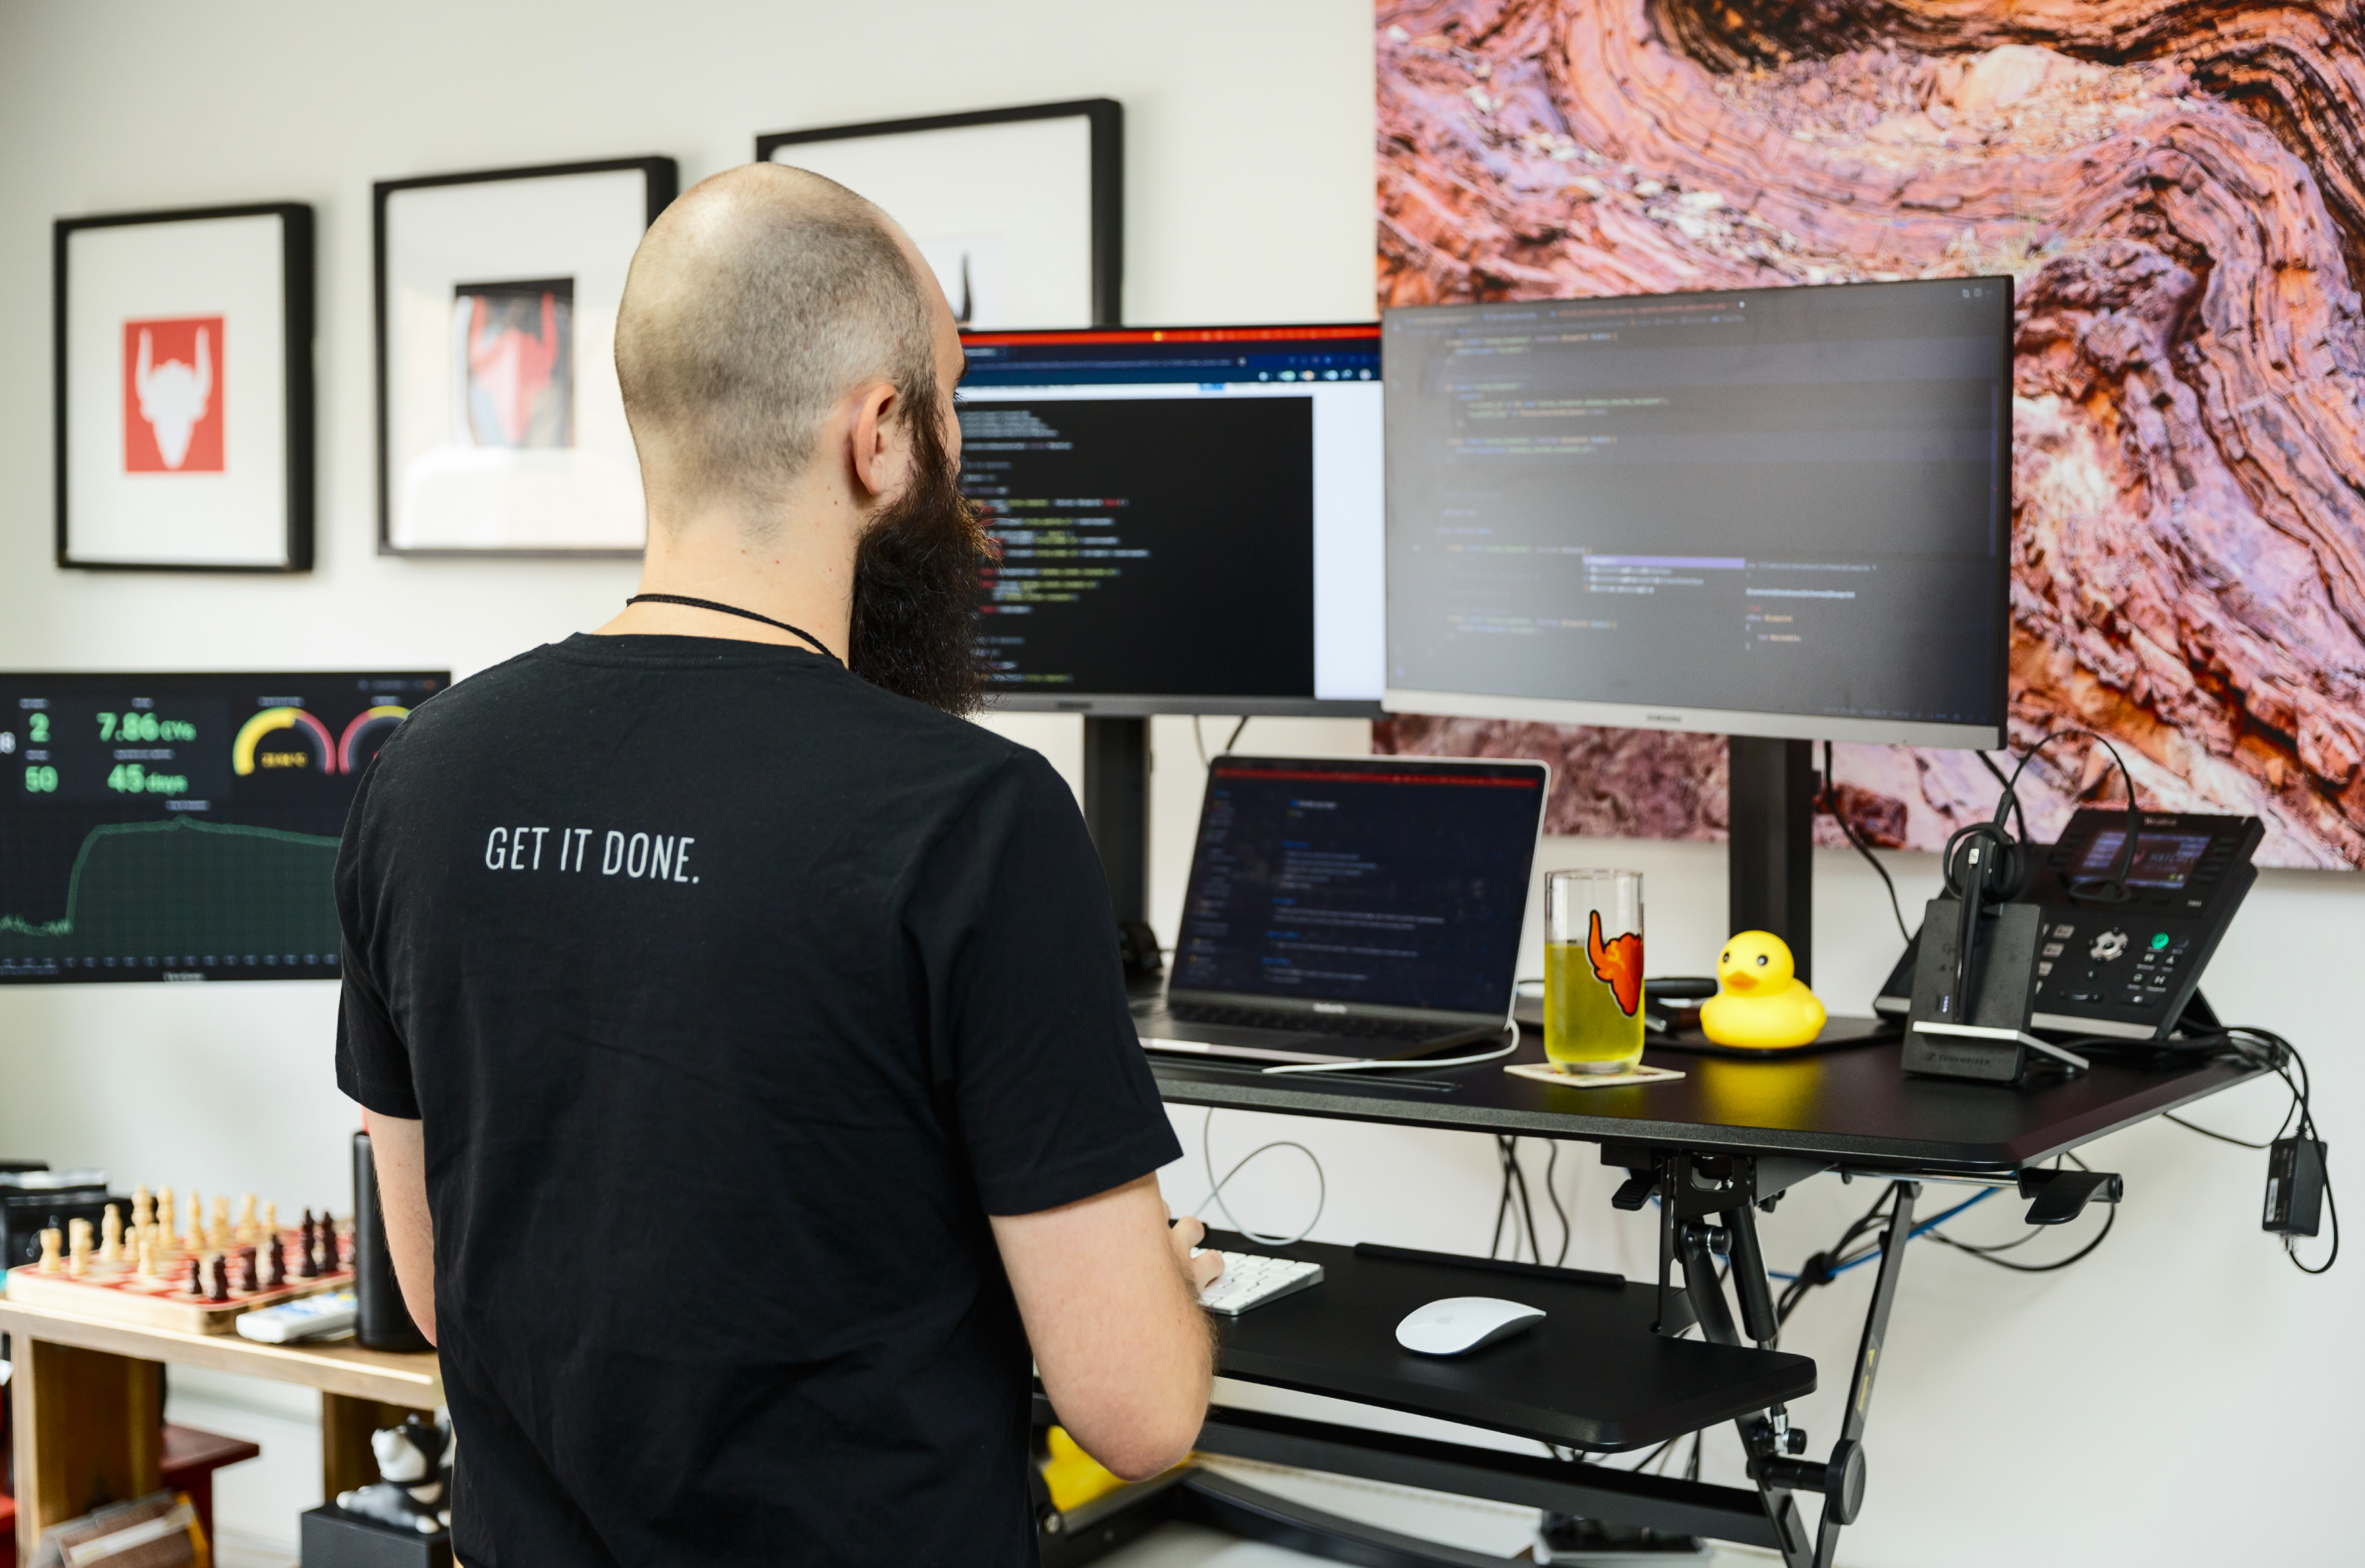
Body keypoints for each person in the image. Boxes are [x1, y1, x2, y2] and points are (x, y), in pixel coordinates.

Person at [335, 163, 1223, 1567]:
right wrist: (1156, 1290)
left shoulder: (421, 775)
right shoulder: (975, 816)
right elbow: (1140, 1410)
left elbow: (440, 1286)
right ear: (878, 436)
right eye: (948, 410)